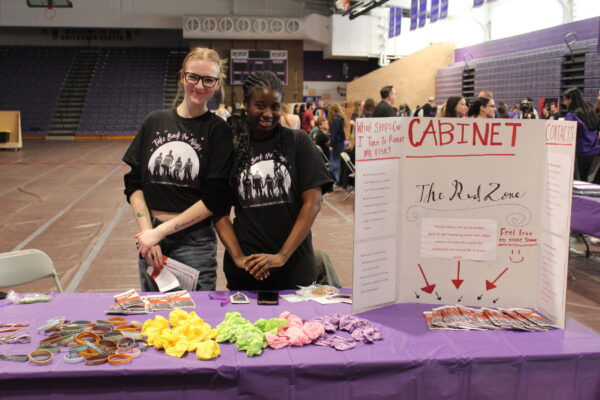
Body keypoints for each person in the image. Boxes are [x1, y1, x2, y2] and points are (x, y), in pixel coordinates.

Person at [122, 47, 233, 291]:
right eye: (193, 77)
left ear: (217, 84)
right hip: (151, 239)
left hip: (194, 243)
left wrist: (159, 232)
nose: (200, 85)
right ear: (183, 76)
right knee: (156, 319)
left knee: (196, 321)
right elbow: (134, 183)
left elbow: (215, 197)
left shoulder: (218, 131)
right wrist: (148, 233)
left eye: (208, 80)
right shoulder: (155, 121)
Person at [215, 71, 333, 290]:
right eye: (260, 105)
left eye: (275, 106)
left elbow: (313, 202)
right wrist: (238, 257)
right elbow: (219, 211)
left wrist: (281, 255)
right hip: (247, 272)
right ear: (246, 105)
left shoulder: (298, 142)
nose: (268, 113)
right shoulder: (232, 151)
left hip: (294, 268)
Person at [562, 87, 600, 181]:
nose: (563, 102)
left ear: (570, 100)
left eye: (564, 99)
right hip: (595, 153)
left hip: (580, 154)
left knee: (580, 182)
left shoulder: (572, 115)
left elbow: (567, 136)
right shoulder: (590, 112)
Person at [328, 103, 348, 185]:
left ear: (332, 110)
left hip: (336, 144)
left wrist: (331, 144)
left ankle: (337, 181)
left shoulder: (336, 119)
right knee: (338, 161)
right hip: (340, 142)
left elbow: (334, 133)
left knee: (335, 162)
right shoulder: (340, 118)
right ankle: (338, 180)